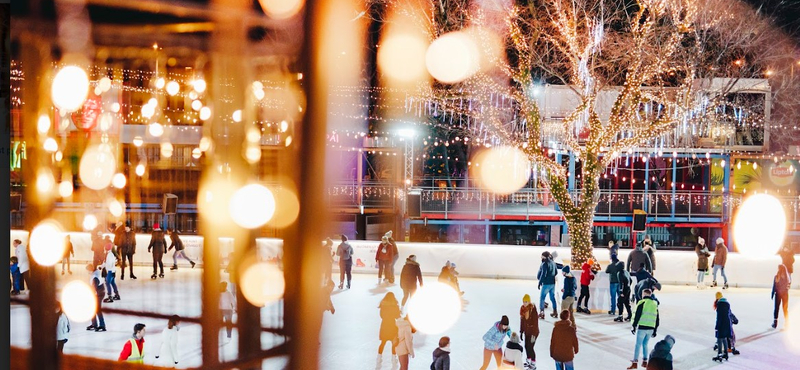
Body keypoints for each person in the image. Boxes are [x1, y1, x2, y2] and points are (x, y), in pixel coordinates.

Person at [628, 289, 659, 369]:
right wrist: (655, 330)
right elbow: (657, 318)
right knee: (645, 344)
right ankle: (645, 362)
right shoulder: (654, 304)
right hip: (651, 328)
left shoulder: (642, 302)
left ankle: (635, 362)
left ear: (644, 294)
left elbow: (637, 315)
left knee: (638, 345)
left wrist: (634, 326)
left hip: (642, 327)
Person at [713, 291, 740, 356]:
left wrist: (717, 326)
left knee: (722, 335)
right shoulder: (726, 304)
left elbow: (719, 318)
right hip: (728, 323)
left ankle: (725, 350)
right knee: (729, 335)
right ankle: (730, 349)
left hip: (723, 324)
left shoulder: (719, 305)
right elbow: (730, 313)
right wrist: (735, 319)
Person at [378, 292, 401, 360]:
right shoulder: (395, 306)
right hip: (392, 325)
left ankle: (379, 357)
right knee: (393, 342)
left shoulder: (383, 305)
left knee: (383, 342)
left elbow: (381, 316)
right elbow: (397, 316)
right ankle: (394, 357)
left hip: (384, 324)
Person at [519, 294, 539, 369]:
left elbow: (535, 323)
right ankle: (528, 360)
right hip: (527, 332)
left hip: (533, 332)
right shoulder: (522, 309)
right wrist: (521, 331)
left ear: (529, 302)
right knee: (526, 346)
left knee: (530, 347)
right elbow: (522, 321)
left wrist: (534, 334)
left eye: (526, 302)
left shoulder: (533, 310)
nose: (524, 303)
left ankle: (533, 363)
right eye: (524, 302)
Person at [537, 252, 559, 319]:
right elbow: (556, 272)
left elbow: (543, 274)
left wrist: (540, 282)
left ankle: (542, 312)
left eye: (542, 257)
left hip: (546, 283)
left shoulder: (544, 264)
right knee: (552, 297)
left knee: (542, 297)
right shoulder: (553, 263)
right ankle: (555, 311)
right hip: (552, 283)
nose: (541, 258)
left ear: (544, 257)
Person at [86, 264, 107, 332]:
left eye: (88, 271)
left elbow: (94, 287)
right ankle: (94, 324)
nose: (87, 272)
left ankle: (102, 325)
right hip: (100, 292)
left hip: (98, 294)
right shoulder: (96, 272)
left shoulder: (94, 277)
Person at [771, 264, 791, 329]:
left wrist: (772, 294)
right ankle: (787, 323)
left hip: (778, 295)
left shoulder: (776, 276)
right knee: (785, 309)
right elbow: (788, 286)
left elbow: (774, 286)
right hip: (785, 295)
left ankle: (775, 323)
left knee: (776, 308)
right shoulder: (787, 278)